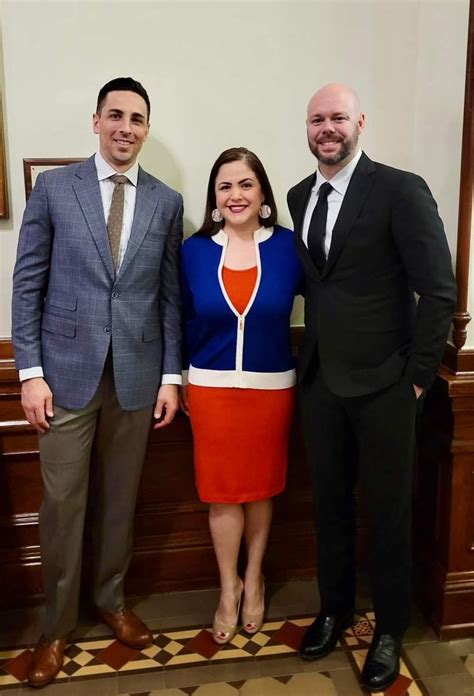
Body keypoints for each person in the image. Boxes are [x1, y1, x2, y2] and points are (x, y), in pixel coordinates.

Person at [11, 77, 183, 687]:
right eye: (116, 115)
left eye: (137, 119)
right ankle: (55, 628)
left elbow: (168, 297)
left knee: (118, 500)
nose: (126, 128)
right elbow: (27, 282)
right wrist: (29, 373)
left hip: (137, 377)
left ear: (145, 128)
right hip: (62, 377)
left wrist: (170, 375)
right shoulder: (57, 189)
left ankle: (110, 599)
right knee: (62, 505)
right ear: (96, 121)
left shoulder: (165, 202)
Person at [287, 84, 457, 692]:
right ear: (306, 129)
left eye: (337, 118)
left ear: (359, 121)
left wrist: (415, 380)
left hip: (388, 385)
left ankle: (389, 628)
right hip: (321, 383)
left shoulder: (399, 189)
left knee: (388, 512)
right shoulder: (299, 194)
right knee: (329, 506)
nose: (327, 128)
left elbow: (439, 289)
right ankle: (334, 611)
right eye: (316, 120)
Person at [181, 147, 303, 644]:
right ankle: (228, 586)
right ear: (214, 197)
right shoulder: (192, 251)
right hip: (209, 390)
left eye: (246, 184)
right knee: (222, 492)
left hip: (272, 390)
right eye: (225, 186)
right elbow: (178, 318)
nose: (236, 195)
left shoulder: (291, 249)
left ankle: (255, 578)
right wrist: (176, 378)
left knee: (261, 488)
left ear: (263, 194)